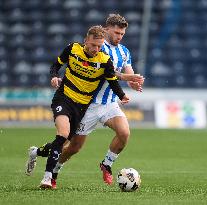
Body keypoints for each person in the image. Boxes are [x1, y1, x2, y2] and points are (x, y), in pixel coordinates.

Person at [25, 14, 144, 189]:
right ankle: (48, 161)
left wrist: (133, 82)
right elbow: (111, 74)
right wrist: (127, 78)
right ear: (107, 29)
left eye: (122, 34)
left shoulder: (124, 51)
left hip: (110, 103)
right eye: (117, 32)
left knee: (124, 133)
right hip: (88, 104)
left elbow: (128, 70)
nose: (119, 36)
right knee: (72, 147)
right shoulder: (98, 47)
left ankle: (107, 164)